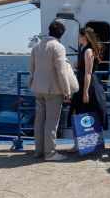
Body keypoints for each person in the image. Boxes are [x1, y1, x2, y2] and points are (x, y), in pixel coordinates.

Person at [29, 20, 75, 161]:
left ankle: (38, 151)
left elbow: (32, 69)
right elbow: (61, 72)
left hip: (38, 88)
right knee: (51, 123)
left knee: (39, 121)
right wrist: (67, 91)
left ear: (49, 31)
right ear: (61, 33)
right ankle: (50, 153)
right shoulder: (58, 47)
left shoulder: (36, 47)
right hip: (53, 90)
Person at [70, 27, 107, 129]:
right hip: (82, 83)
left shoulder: (88, 51)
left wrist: (86, 92)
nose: (78, 38)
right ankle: (82, 143)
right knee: (81, 112)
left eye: (79, 36)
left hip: (88, 85)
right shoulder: (83, 50)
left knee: (86, 112)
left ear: (84, 37)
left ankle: (88, 142)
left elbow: (88, 73)